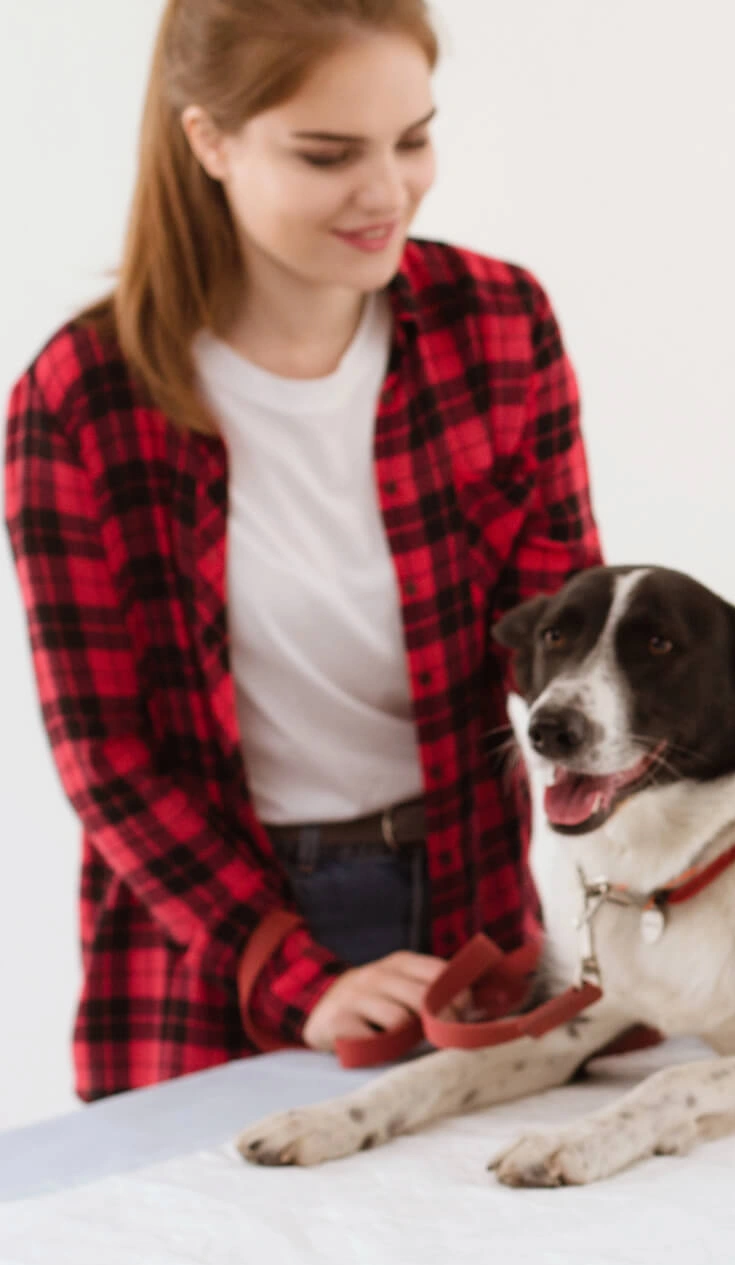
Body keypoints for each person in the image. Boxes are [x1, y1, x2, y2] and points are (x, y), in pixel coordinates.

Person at [5, 0, 601, 1102]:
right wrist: (295, 973)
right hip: (212, 942)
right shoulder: (81, 399)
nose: (387, 192)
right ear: (208, 141)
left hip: (471, 907)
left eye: (412, 139)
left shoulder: (499, 325)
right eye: (329, 154)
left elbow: (564, 651)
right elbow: (108, 755)